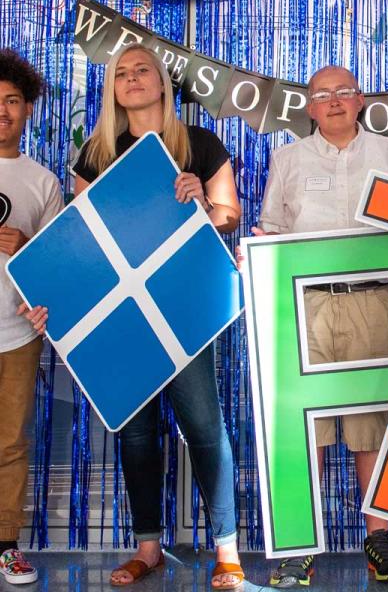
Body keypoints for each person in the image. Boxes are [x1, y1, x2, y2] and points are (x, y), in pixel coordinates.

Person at [26, 43, 243, 589]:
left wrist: (203, 203)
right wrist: (57, 300)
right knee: (137, 432)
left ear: (161, 81)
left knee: (204, 427)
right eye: (120, 73)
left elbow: (230, 215)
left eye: (141, 68)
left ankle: (228, 551)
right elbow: (80, 246)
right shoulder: (95, 155)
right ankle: (147, 546)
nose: (132, 78)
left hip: (185, 312)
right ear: (112, 89)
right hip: (124, 317)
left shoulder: (199, 144)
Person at [251, 65, 388, 588]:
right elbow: (271, 228)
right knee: (308, 430)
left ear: (360, 99)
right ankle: (300, 546)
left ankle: (380, 539)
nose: (335, 101)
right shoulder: (288, 159)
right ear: (309, 107)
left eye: (344, 91)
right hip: (307, 307)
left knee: (374, 424)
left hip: (376, 303)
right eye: (323, 95)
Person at [0, 48, 64, 586]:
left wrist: (27, 247)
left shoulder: (43, 182)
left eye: (12, 100)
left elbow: (59, 269)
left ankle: (5, 546)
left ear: (27, 109)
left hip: (17, 334)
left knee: (10, 443)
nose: (2, 109)